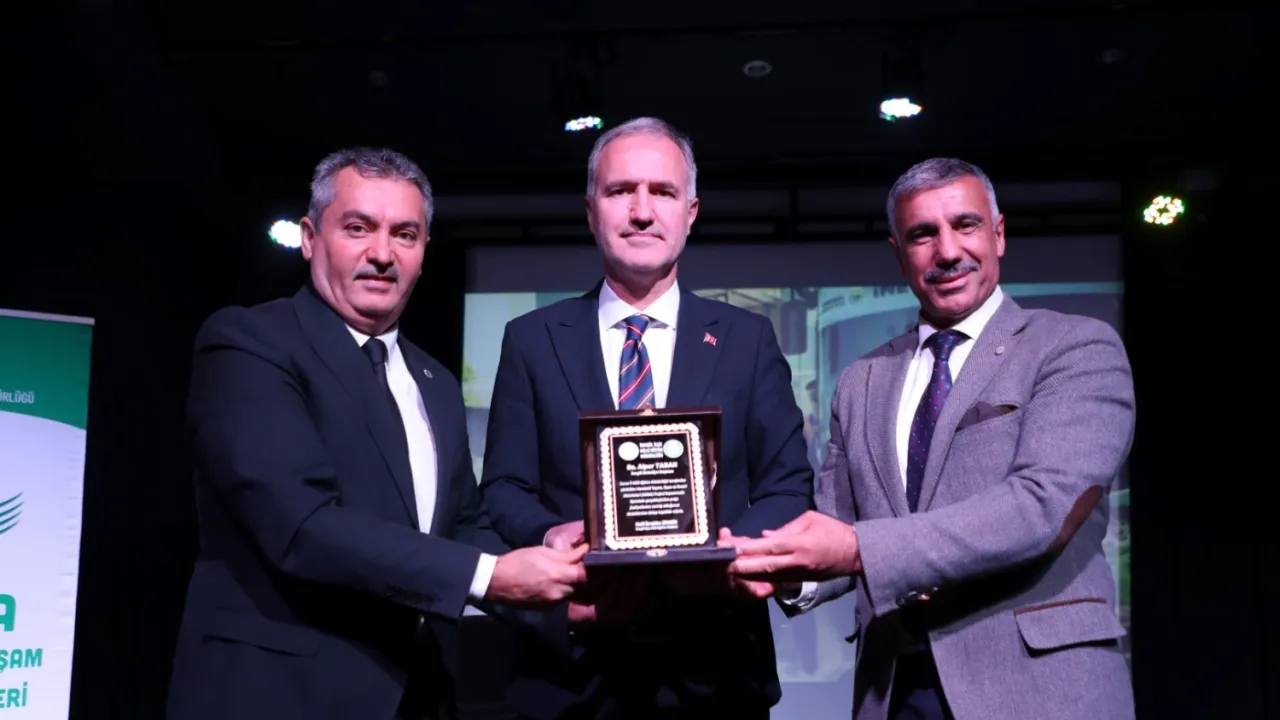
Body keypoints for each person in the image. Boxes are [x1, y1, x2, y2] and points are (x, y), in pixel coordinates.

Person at [166, 148, 588, 720]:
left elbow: (461, 526)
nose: (382, 254)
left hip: (418, 695)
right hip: (277, 696)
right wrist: (492, 576)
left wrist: (551, 572)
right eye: (358, 228)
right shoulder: (249, 343)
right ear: (310, 238)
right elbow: (301, 525)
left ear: (424, 252)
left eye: (404, 234)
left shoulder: (435, 381)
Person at [726, 158, 1136, 720]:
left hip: (1038, 688)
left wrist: (855, 549)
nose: (946, 251)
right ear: (898, 253)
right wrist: (781, 567)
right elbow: (838, 524)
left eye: (965, 225)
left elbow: (1042, 508)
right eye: (922, 234)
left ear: (998, 234)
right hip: (895, 686)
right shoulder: (861, 381)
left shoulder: (1074, 347)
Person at [479, 117, 813, 719]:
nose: (641, 211)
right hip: (573, 677)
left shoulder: (748, 339)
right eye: (620, 191)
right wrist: (550, 535)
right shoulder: (531, 339)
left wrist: (727, 551)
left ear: (690, 211)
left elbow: (788, 485)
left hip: (718, 670)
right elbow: (503, 487)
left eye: (662, 192)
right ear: (591, 211)